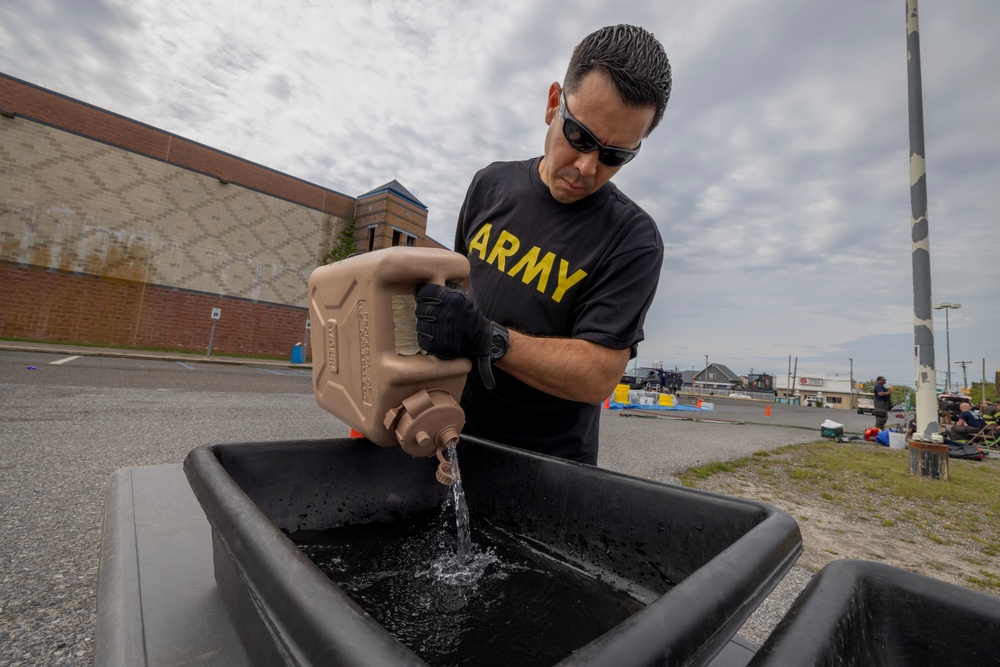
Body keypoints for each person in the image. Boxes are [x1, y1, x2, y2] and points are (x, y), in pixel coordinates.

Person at [415, 25, 672, 465]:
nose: (587, 167)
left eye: (615, 155)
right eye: (580, 137)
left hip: (549, 471)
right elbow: (454, 298)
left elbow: (597, 377)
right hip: (455, 438)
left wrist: (489, 339)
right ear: (554, 102)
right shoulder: (489, 185)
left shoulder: (633, 240)